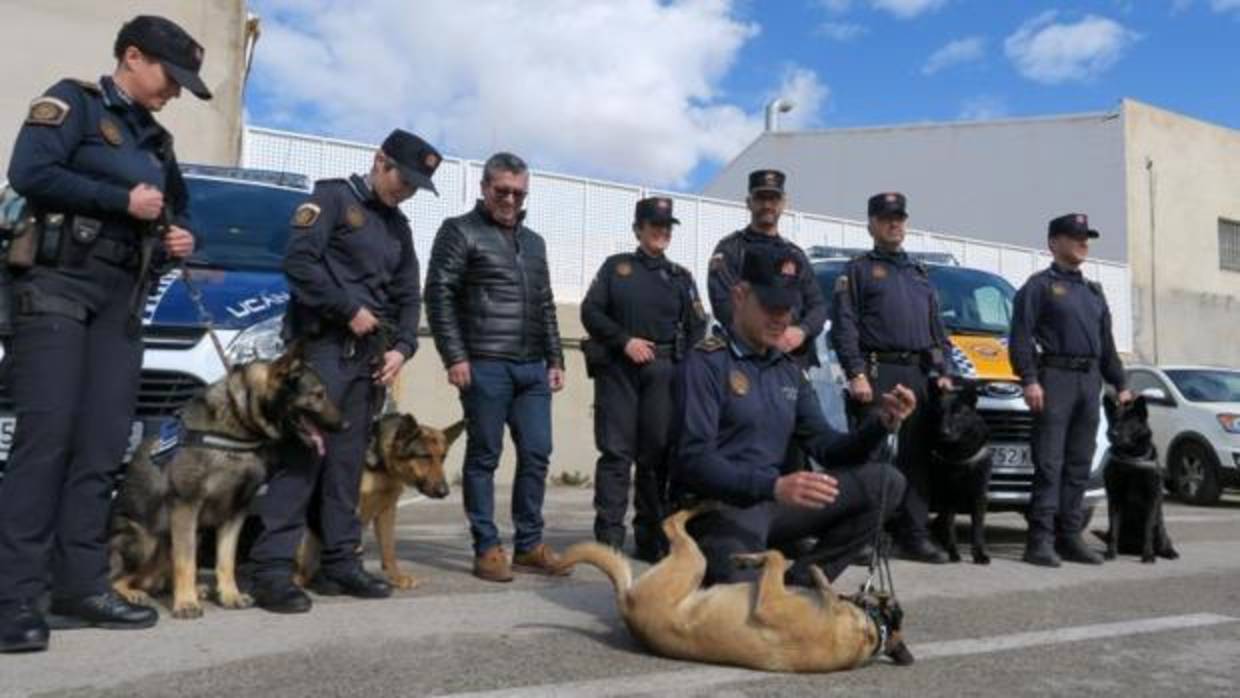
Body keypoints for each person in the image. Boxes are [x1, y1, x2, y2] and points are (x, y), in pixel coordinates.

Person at [0, 15, 204, 652]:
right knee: (47, 441)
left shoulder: (158, 143)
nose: (174, 91)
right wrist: (121, 202)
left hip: (121, 301)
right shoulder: (73, 104)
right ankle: (11, 598)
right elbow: (29, 173)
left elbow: (173, 211)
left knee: (101, 447)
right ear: (134, 57)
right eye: (171, 77)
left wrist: (176, 236)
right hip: (57, 287)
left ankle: (80, 584)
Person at [247, 129, 438, 613]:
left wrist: (403, 346)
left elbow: (408, 294)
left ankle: (339, 562)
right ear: (379, 161)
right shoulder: (331, 198)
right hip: (322, 349)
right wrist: (347, 307)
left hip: (369, 359)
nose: (407, 191)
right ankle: (271, 570)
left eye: (417, 186)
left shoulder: (399, 228)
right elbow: (300, 262)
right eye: (404, 179)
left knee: (347, 464)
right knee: (303, 455)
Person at [670, 245, 914, 587]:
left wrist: (880, 424)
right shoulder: (706, 363)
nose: (781, 318)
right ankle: (764, 592)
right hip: (718, 510)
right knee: (746, 612)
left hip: (773, 503)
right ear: (740, 296)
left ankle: (803, 583)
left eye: (787, 309)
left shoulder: (786, 370)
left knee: (886, 482)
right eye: (770, 306)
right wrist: (772, 486)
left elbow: (826, 446)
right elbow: (693, 461)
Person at [425, 152, 567, 582]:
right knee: (485, 456)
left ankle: (528, 545)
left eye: (517, 192)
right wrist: (455, 356)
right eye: (501, 190)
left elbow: (544, 303)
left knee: (538, 452)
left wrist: (556, 358)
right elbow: (439, 295)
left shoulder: (535, 243)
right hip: (484, 364)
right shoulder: (459, 231)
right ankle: (487, 547)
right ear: (485, 188)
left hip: (532, 369)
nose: (509, 199)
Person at [829, 192, 955, 564]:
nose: (894, 224)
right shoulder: (858, 270)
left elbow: (938, 331)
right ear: (871, 223)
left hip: (916, 374)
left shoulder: (919, 274)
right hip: (877, 370)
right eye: (886, 218)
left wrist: (943, 371)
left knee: (916, 458)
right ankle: (864, 537)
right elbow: (845, 327)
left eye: (899, 217)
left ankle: (913, 535)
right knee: (872, 457)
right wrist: (856, 373)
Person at [580, 196, 707, 562]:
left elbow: (698, 326)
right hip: (620, 369)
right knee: (616, 455)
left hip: (663, 374)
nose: (661, 232)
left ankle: (651, 535)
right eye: (654, 225)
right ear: (638, 229)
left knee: (656, 459)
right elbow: (591, 312)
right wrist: (625, 341)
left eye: (667, 227)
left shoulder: (681, 277)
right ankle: (609, 537)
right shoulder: (616, 268)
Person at [1010, 213, 1132, 567]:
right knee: (1050, 463)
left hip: (1089, 381)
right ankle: (1039, 542)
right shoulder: (1039, 286)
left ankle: (1069, 537)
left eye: (1086, 237)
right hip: (1055, 379)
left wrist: (1121, 384)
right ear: (1054, 243)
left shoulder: (1093, 292)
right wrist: (1029, 379)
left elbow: (1106, 346)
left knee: (1078, 464)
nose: (1083, 243)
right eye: (1075, 236)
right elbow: (1020, 338)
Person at [707, 169, 826, 369]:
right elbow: (724, 305)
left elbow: (817, 306)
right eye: (761, 198)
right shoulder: (730, 249)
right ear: (749, 202)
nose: (767, 205)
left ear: (783, 203)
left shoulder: (795, 255)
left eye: (774, 199)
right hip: (746, 361)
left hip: (792, 360)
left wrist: (801, 331)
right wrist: (769, 334)